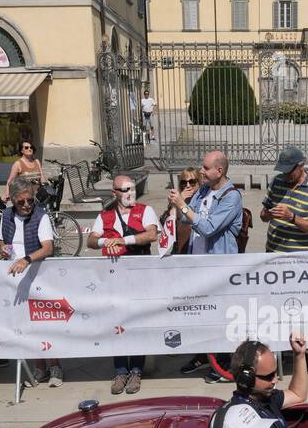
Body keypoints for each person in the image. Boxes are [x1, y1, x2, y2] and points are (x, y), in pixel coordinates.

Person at [168, 150, 243, 382]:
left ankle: (226, 365)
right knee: (202, 315)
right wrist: (185, 202)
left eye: (205, 168)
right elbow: (185, 220)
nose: (201, 171)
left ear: (219, 171)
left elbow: (209, 227)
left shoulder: (231, 197)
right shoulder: (202, 190)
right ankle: (204, 356)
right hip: (197, 265)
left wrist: (183, 206)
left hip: (219, 268)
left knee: (222, 318)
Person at [89, 174, 157, 394]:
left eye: (132, 188)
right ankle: (120, 370)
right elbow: (91, 240)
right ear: (114, 193)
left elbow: (151, 235)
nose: (130, 193)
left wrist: (123, 240)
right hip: (114, 278)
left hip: (140, 277)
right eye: (125, 189)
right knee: (116, 322)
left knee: (137, 322)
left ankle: (136, 370)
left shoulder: (145, 210)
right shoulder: (106, 215)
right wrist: (104, 241)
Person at [0, 176, 55, 384]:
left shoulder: (40, 217)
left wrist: (26, 259)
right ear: (13, 200)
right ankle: (39, 368)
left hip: (38, 276)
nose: (26, 205)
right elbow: (1, 240)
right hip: (14, 278)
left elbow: (47, 247)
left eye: (30, 200)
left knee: (46, 326)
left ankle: (56, 367)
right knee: (25, 327)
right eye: (21, 202)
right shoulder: (6, 215)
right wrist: (4, 249)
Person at [262, 146, 308, 252]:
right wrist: (269, 214)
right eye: (283, 171)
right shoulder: (276, 181)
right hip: (272, 253)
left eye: (289, 171)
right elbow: (263, 216)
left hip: (298, 257)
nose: (285, 175)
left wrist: (291, 217)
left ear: (301, 165)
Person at [2, 138, 42, 202]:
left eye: (31, 147)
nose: (29, 149)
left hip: (38, 195)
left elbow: (41, 176)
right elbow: (10, 180)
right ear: (21, 151)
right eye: (26, 147)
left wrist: (45, 188)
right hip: (25, 196)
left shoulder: (37, 161)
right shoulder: (18, 164)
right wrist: (7, 193)